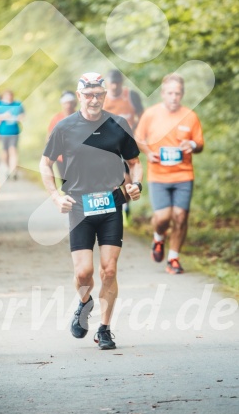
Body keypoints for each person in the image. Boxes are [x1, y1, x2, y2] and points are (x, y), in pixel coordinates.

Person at [40, 72, 142, 350]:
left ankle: (105, 329)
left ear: (105, 95)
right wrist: (54, 196)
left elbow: (134, 161)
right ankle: (84, 303)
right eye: (88, 94)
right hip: (79, 206)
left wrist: (136, 185)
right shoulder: (65, 127)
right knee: (84, 273)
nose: (94, 99)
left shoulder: (118, 124)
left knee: (109, 270)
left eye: (98, 94)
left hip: (110, 204)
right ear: (79, 96)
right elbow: (45, 164)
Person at [135, 73, 204, 274]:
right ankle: (158, 237)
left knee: (180, 216)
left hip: (183, 175)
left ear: (182, 94)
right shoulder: (150, 114)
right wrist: (149, 153)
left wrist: (191, 144)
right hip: (159, 175)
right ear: (163, 93)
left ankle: (173, 258)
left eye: (178, 93)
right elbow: (139, 139)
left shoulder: (190, 116)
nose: (174, 97)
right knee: (163, 218)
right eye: (170, 93)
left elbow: (199, 144)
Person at [103, 69, 144, 224]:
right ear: (107, 83)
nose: (114, 86)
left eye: (117, 83)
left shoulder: (131, 96)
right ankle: (118, 210)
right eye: (111, 83)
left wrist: (137, 129)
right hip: (110, 145)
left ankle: (125, 207)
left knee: (128, 182)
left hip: (128, 143)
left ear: (121, 82)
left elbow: (142, 115)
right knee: (119, 179)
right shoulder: (103, 99)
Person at [0, 90, 24, 178]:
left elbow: (22, 116)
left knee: (13, 150)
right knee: (5, 151)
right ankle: (6, 168)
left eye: (11, 96)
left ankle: (13, 171)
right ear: (4, 96)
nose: (9, 97)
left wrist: (17, 118)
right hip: (3, 132)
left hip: (14, 132)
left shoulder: (18, 105)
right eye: (7, 96)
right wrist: (4, 116)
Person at [47, 91, 77, 179]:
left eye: (70, 103)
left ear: (75, 103)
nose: (68, 106)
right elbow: (49, 137)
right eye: (65, 103)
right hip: (61, 158)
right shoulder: (56, 119)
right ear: (62, 104)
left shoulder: (82, 116)